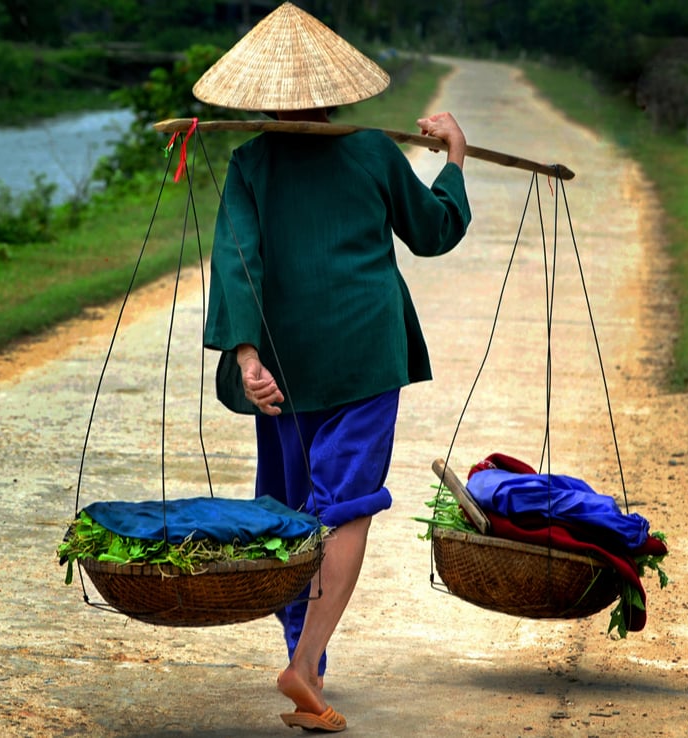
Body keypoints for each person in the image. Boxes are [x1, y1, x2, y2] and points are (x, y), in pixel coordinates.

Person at [195, 3, 471, 733]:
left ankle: (306, 663)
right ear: (335, 94)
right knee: (343, 504)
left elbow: (237, 263)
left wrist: (247, 355)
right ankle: (305, 662)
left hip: (284, 363)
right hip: (365, 355)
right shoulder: (373, 151)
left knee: (293, 510)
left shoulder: (250, 164)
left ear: (264, 100)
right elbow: (434, 230)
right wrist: (455, 160)